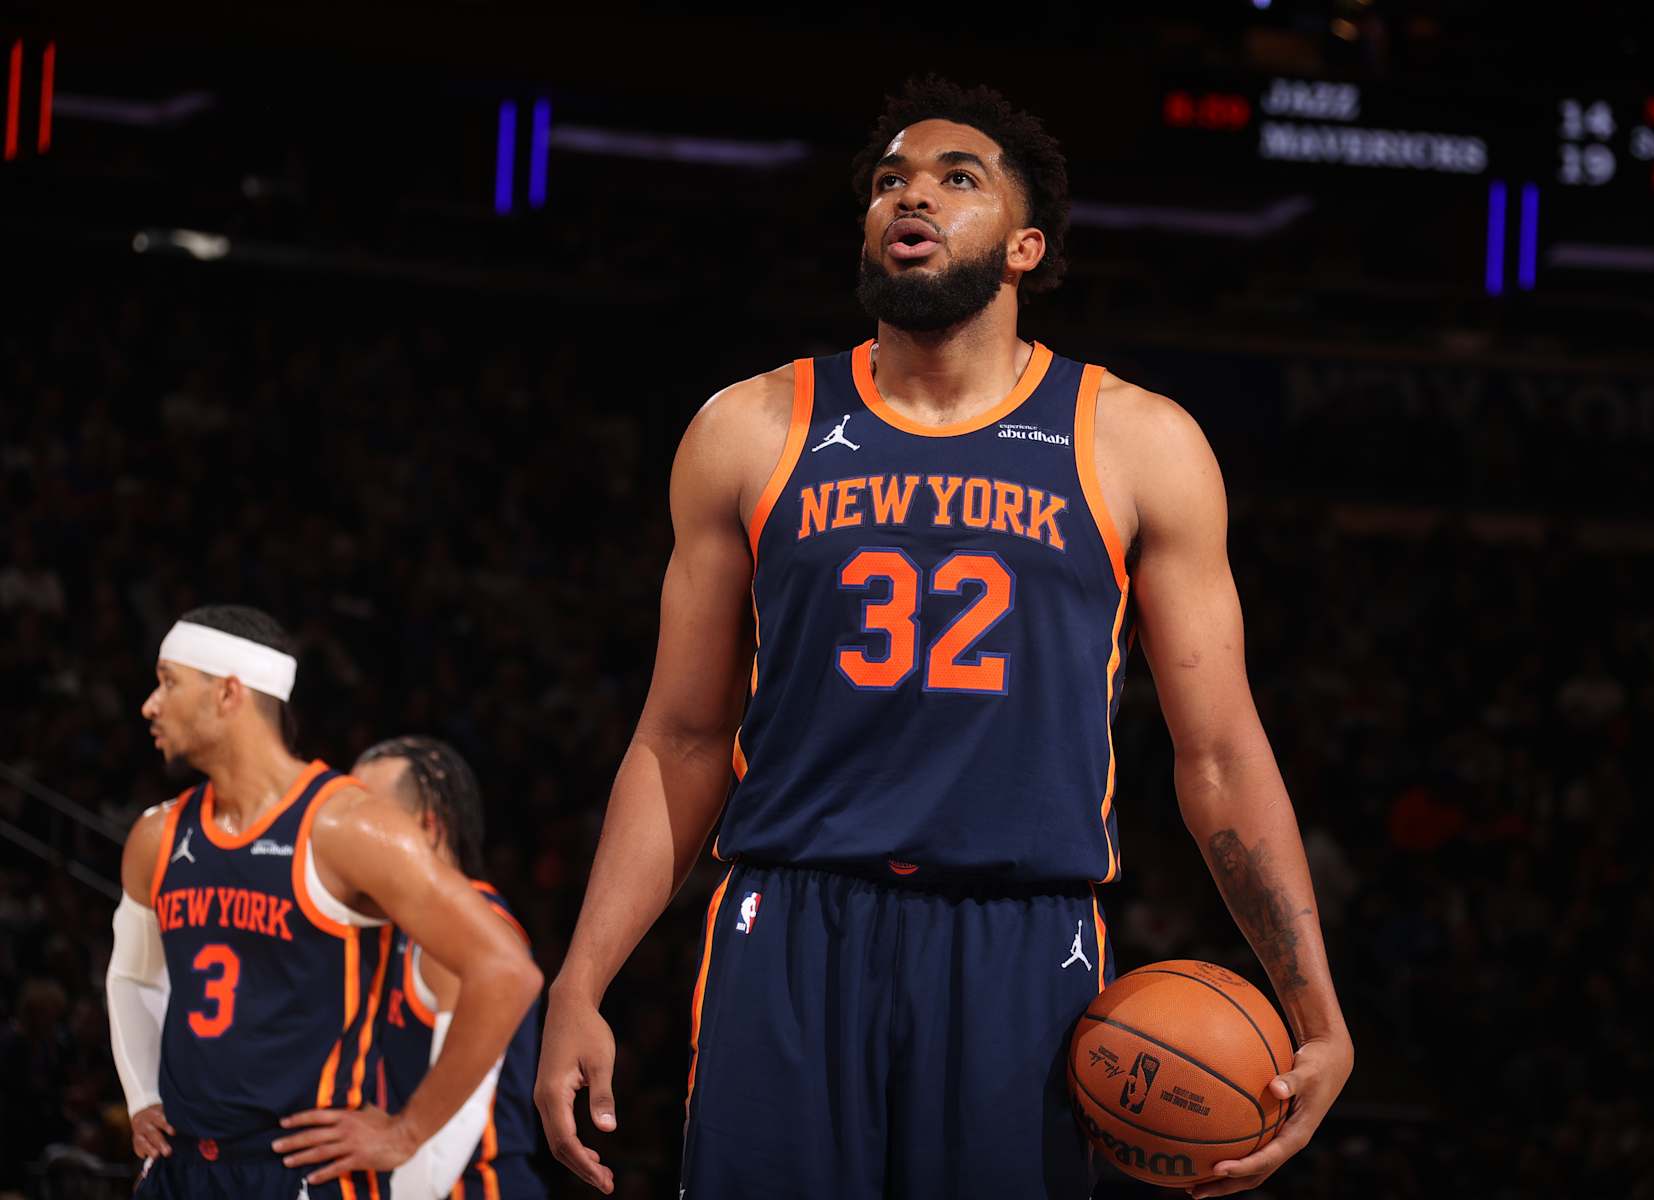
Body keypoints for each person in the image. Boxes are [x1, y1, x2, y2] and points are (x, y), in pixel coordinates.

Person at [534, 77, 1353, 1200]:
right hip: (790, 923)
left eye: (955, 178)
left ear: (1024, 246)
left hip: (1022, 943)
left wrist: (1316, 1012)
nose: (909, 196)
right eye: (888, 181)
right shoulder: (749, 427)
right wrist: (580, 982)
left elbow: (1216, 754)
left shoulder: (1138, 442)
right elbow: (679, 740)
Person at [107, 605, 541, 1200]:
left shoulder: (348, 827)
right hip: (183, 1168)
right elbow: (131, 976)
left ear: (228, 692)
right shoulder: (157, 835)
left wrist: (407, 1131)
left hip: (298, 1174)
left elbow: (507, 970)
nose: (150, 704)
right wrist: (141, 1097)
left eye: (169, 681)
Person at [354, 736, 548, 1200]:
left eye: (367, 819)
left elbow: (450, 1134)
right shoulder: (382, 923)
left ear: (428, 828)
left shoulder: (469, 932)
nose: (349, 833)